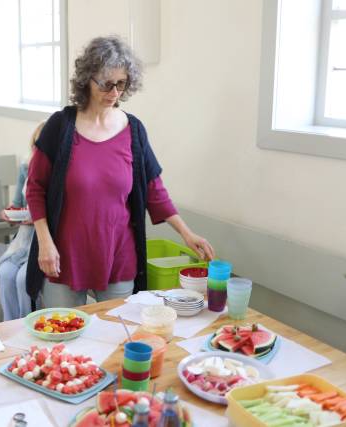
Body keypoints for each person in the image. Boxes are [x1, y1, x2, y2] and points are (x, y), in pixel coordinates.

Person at [26, 36, 216, 308]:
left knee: (118, 336)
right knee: (64, 339)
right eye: (106, 84)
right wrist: (45, 242)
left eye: (121, 84)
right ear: (87, 80)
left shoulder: (134, 130)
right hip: (64, 256)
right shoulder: (60, 127)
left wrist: (187, 234)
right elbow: (35, 188)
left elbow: (155, 191)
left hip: (118, 256)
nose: (114, 92)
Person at [0, 122, 45, 320]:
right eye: (35, 146)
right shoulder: (26, 166)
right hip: (24, 240)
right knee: (6, 274)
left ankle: (30, 328)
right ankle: (10, 327)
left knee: (23, 279)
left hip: (45, 242)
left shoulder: (62, 172)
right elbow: (16, 204)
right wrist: (9, 214)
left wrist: (37, 219)